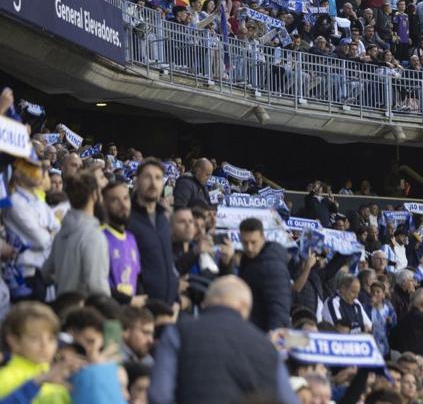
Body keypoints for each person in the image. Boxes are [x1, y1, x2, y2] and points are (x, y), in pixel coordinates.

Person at [149, 275, 298, 404]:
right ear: (245, 307)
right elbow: (288, 400)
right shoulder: (267, 348)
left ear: (206, 302)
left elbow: (159, 395)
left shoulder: (179, 332)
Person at [42, 169, 110, 297]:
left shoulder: (61, 233)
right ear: (95, 195)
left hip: (63, 306)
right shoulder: (93, 236)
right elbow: (97, 286)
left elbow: (46, 273)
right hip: (85, 311)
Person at [128, 159, 179, 305]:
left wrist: (177, 300)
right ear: (137, 181)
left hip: (169, 306)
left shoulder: (163, 218)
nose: (153, 182)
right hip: (144, 310)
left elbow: (168, 263)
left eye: (158, 178)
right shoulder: (127, 219)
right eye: (147, 177)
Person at [236, 216, 292, 332]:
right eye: (245, 243)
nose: (249, 248)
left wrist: (273, 339)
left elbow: (278, 308)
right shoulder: (248, 259)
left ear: (263, 238)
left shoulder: (272, 267)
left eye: (253, 242)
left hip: (264, 335)